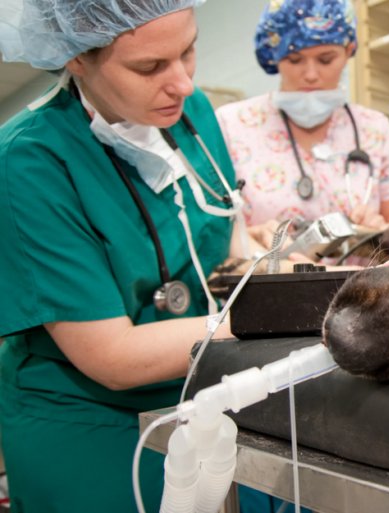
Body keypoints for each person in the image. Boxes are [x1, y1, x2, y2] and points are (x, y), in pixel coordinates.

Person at [0, 1, 262, 511]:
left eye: (188, 51)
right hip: (90, 419)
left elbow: (226, 226)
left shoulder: (192, 112)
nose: (182, 83)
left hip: (204, 388)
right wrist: (270, 318)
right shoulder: (29, 161)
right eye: (149, 67)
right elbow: (112, 357)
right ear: (77, 56)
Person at [215, 0, 389, 262]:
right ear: (273, 54)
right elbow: (212, 234)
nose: (311, 74)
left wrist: (380, 231)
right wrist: (253, 240)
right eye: (294, 59)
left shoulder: (374, 128)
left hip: (360, 285)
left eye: (326, 59)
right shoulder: (231, 125)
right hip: (268, 285)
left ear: (348, 50)